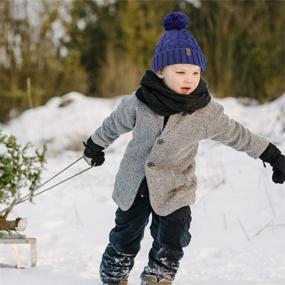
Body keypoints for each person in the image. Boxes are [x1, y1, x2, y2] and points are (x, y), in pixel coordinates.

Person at [83, 11, 285, 285]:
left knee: (174, 234)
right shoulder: (139, 102)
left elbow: (239, 135)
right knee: (126, 234)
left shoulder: (204, 112)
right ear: (161, 71)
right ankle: (115, 272)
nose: (188, 78)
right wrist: (95, 145)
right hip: (135, 183)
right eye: (180, 72)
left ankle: (159, 274)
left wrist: (272, 155)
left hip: (176, 186)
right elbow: (113, 124)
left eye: (194, 72)